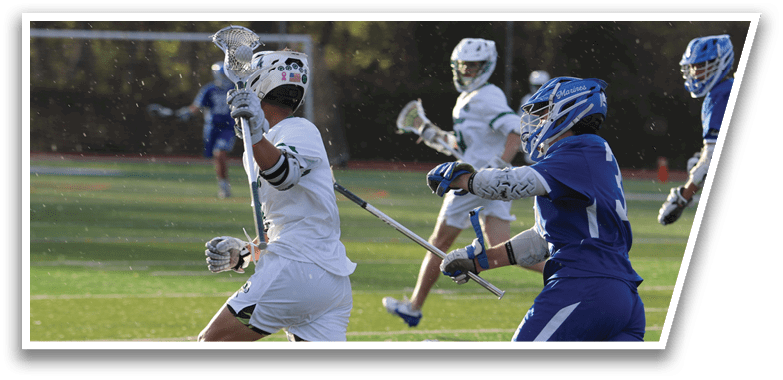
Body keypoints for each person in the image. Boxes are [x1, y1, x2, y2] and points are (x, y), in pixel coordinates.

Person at [428, 76, 646, 341]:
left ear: (568, 110)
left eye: (543, 114)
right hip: (619, 295)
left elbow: (514, 183)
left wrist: (466, 179)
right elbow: (541, 242)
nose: (538, 123)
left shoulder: (579, 150)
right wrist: (478, 262)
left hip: (584, 285)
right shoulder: (587, 155)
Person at [382, 38, 542, 328]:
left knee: (438, 242)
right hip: (486, 180)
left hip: (473, 182)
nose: (467, 71)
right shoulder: (470, 99)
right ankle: (571, 273)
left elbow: (515, 132)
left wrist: (499, 167)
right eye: (464, 66)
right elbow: (469, 145)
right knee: (504, 247)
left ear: (486, 66)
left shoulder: (487, 95)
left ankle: (414, 307)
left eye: (474, 66)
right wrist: (433, 134)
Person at [197, 50, 356, 342]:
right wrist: (245, 251)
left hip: (298, 271)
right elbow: (284, 228)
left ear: (259, 83)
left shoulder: (297, 129)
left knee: (213, 341)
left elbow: (283, 174)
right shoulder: (267, 141)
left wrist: (255, 134)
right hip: (324, 279)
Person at [658, 34, 734, 225]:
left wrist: (683, 197)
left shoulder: (719, 95)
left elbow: (711, 160)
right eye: (692, 67)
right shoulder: (729, 88)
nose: (695, 72)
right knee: (696, 163)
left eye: (701, 65)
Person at [176, 61, 237, 198]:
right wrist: (187, 112)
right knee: (216, 157)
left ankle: (224, 187)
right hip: (212, 127)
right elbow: (197, 107)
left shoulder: (235, 89)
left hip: (227, 127)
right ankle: (223, 183)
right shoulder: (209, 89)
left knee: (219, 153)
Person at [519, 70, 551, 164]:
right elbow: (521, 121)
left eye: (540, 86)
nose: (537, 89)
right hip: (531, 147)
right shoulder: (526, 100)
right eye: (535, 86)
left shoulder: (553, 100)